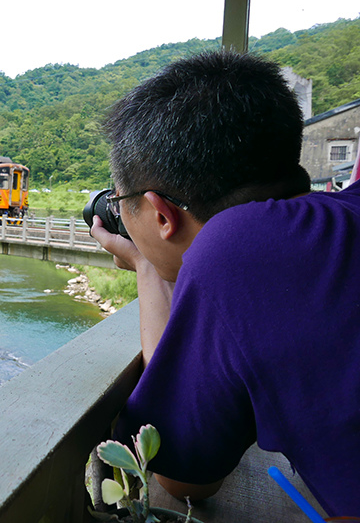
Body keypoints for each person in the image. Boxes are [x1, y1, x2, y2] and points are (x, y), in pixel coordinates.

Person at [89, 50, 360, 517]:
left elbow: (185, 477)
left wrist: (151, 271)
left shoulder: (236, 251)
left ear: (160, 214)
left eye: (122, 204)